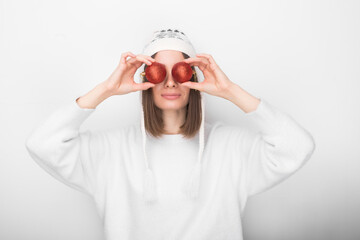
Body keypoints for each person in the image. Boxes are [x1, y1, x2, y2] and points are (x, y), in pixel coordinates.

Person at [25, 28, 316, 240]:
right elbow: (41, 144)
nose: (168, 83)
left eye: (179, 71)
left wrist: (230, 91)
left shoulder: (231, 147)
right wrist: (106, 89)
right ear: (143, 80)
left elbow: (299, 147)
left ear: (194, 78)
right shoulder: (111, 150)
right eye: (155, 72)